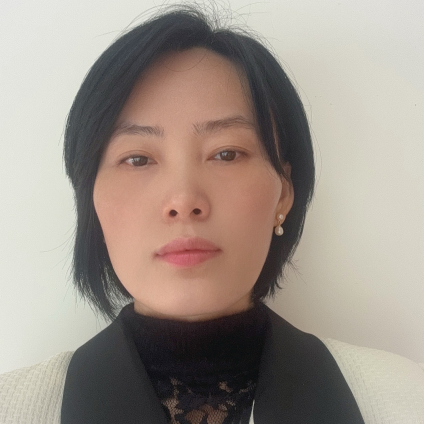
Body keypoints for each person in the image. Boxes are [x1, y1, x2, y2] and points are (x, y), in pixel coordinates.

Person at [1, 5, 423, 424]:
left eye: (226, 154)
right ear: (91, 197)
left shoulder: (405, 399)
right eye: (138, 159)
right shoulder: (14, 407)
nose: (184, 200)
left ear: (284, 193)